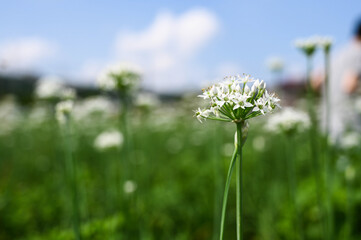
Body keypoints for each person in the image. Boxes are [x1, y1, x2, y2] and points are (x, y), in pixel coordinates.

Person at [323, 18, 361, 141]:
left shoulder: (337, 53)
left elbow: (315, 83)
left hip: (327, 117)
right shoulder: (358, 52)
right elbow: (349, 86)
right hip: (347, 120)